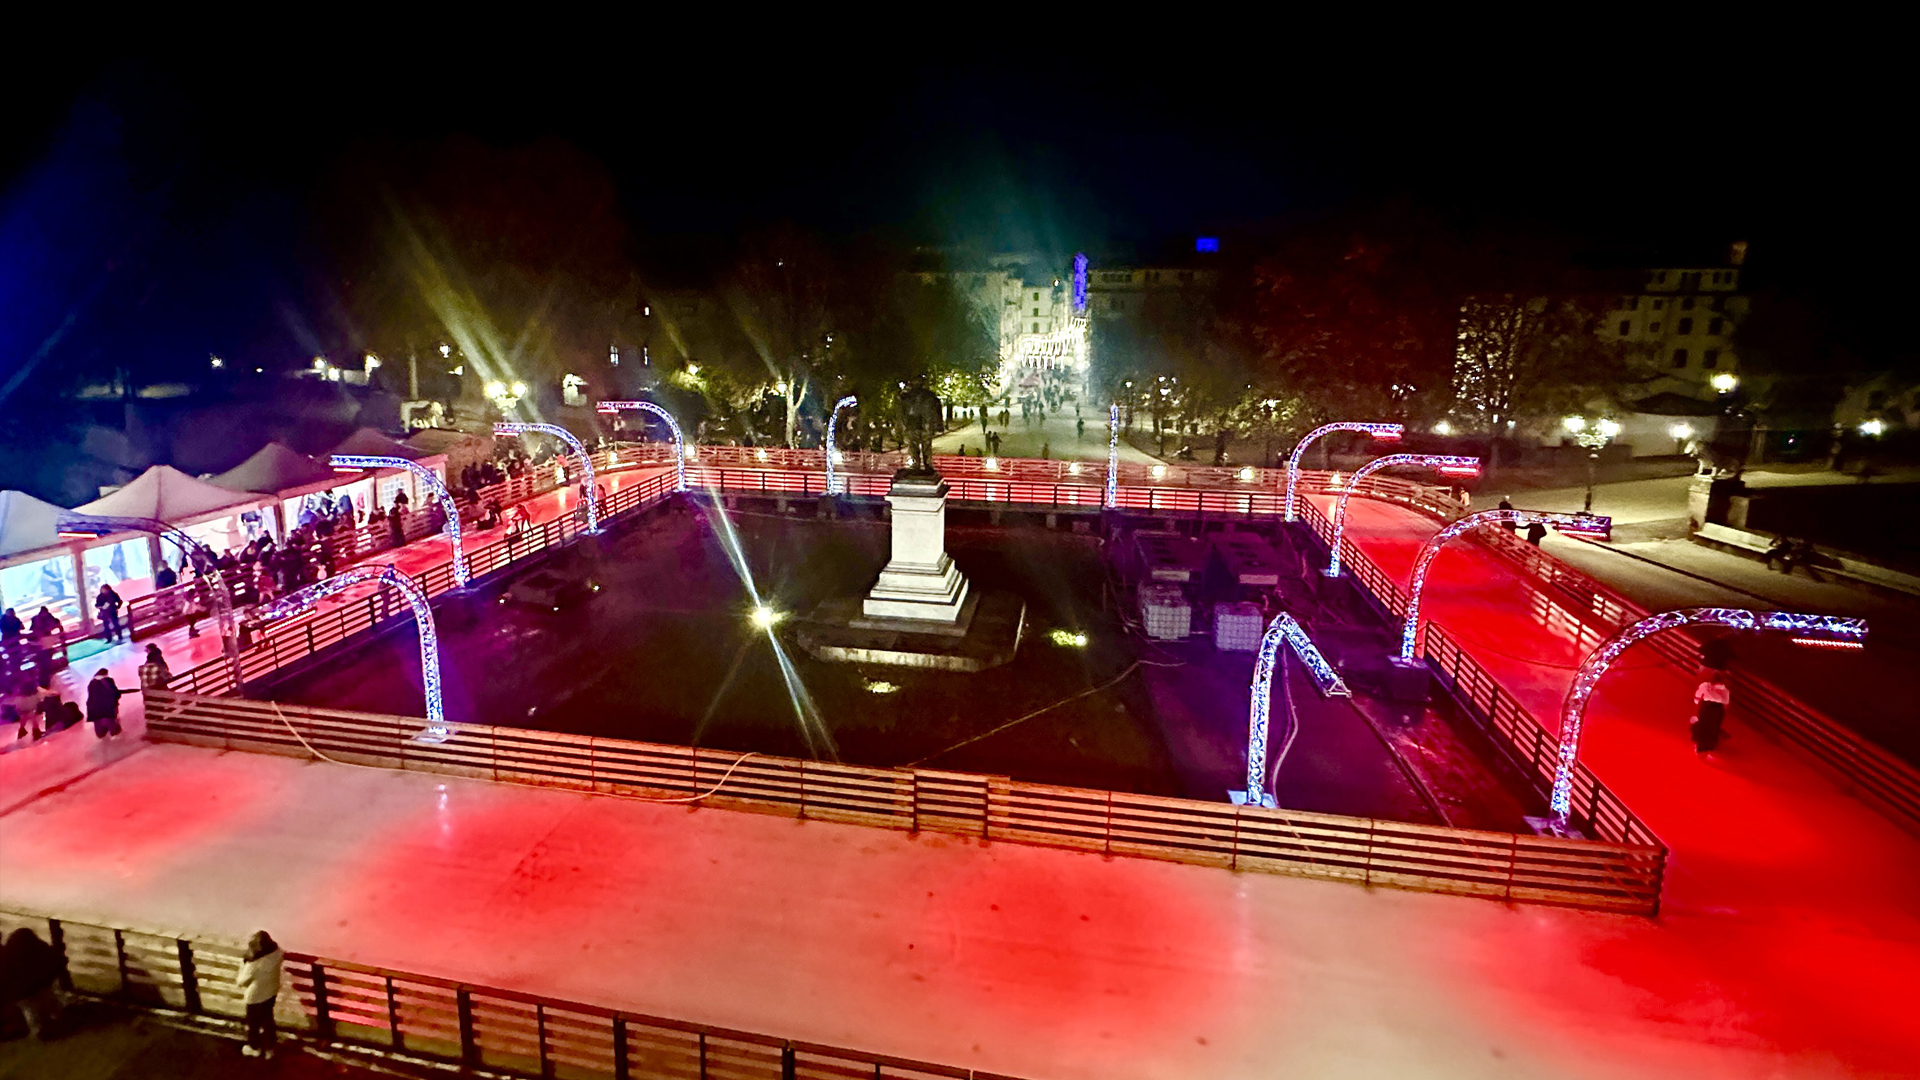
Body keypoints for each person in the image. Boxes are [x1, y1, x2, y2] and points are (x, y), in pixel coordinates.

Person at [3, 927, 67, 1039]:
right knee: (42, 1006)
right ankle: (49, 1024)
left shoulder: (11, 956)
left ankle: (43, 1026)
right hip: (32, 990)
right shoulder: (29, 953)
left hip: (27, 992)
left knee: (35, 1008)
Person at [235, 931, 285, 1058]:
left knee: (253, 1023)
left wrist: (243, 964)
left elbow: (241, 982)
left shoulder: (253, 965)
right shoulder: (277, 954)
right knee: (268, 1019)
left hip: (255, 997)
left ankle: (254, 1047)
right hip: (271, 992)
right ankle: (270, 1048)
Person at [1692, 671, 1730, 753]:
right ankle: (1710, 745)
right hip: (1717, 709)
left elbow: (1697, 696)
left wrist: (1698, 702)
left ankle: (1701, 745)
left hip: (1707, 708)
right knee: (1713, 727)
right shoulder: (1724, 690)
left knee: (1704, 725)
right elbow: (1726, 702)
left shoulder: (1705, 686)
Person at [86, 669, 123, 738]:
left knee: (100, 734)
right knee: (115, 730)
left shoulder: (91, 683)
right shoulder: (108, 681)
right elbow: (114, 693)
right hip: (107, 710)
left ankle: (103, 728)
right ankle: (113, 727)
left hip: (94, 712)